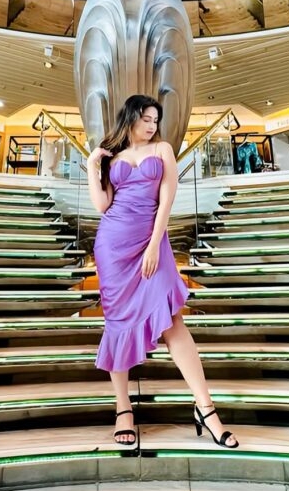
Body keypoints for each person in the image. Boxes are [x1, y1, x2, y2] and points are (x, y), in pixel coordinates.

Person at [87, 94, 238, 449]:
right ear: (130, 118)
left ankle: (207, 409)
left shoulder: (162, 150)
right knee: (118, 324)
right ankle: (123, 408)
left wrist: (155, 244)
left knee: (172, 322)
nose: (152, 125)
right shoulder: (114, 158)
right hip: (112, 247)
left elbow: (167, 197)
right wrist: (94, 164)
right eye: (146, 119)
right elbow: (102, 205)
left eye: (155, 119)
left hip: (151, 243)